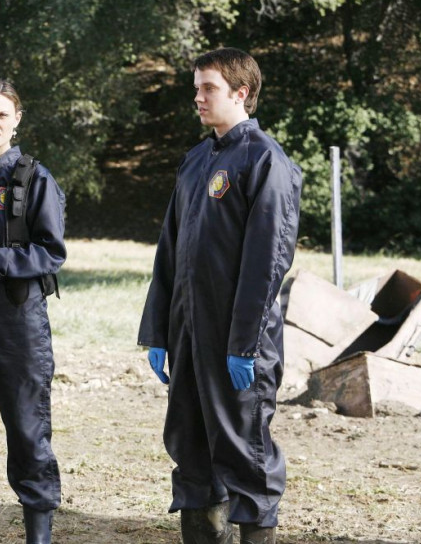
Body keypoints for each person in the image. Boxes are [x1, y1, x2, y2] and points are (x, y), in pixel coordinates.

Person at [138, 48, 302, 544]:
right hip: (188, 334)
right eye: (196, 88)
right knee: (190, 446)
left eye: (208, 88)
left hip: (237, 341)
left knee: (244, 452)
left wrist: (244, 343)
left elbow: (267, 261)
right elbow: (169, 251)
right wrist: (159, 332)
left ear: (241, 92)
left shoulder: (265, 161)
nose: (198, 97)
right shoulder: (195, 161)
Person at [0, 79, 66, 544]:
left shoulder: (36, 179)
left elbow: (52, 252)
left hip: (20, 328)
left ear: (17, 119)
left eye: (2, 115)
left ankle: (38, 535)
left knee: (28, 437)